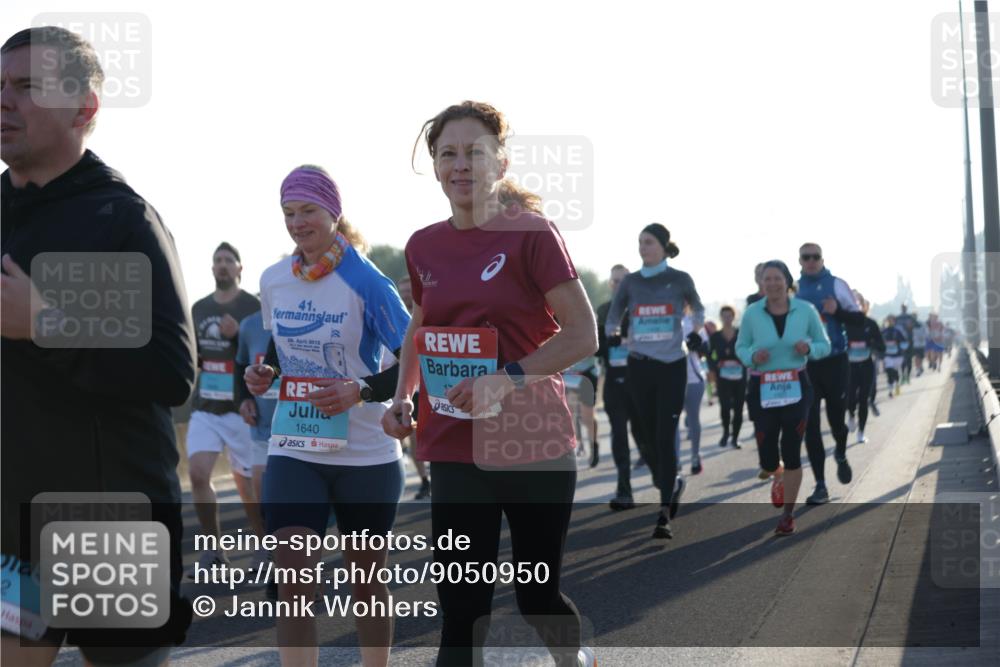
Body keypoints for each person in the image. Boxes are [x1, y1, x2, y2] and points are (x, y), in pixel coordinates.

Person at [1, 26, 194, 666]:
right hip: (12, 531)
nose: (5, 100)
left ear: (84, 107)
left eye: (27, 86)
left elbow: (170, 370)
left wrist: (46, 322)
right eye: (0, 85)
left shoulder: (119, 218)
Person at [381, 101, 597, 667]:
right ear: (434, 166)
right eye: (448, 153)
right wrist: (402, 396)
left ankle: (572, 660)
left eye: (474, 152)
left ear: (500, 162)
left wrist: (508, 379)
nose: (461, 165)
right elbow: (419, 327)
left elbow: (583, 334)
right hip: (455, 446)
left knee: (536, 597)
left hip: (534, 442)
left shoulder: (532, 235)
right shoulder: (423, 245)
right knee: (461, 610)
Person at [244, 165, 410, 667]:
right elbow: (282, 343)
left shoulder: (367, 281)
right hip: (295, 444)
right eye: (288, 213)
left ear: (334, 213)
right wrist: (266, 371)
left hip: (365, 452)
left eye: (308, 211)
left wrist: (361, 390)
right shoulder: (274, 279)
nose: (297, 223)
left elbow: (413, 360)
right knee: (294, 581)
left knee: (367, 581)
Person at [606, 222, 705, 539]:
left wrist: (694, 332)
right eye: (640, 242)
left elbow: (699, 310)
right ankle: (671, 481)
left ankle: (664, 513)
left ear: (663, 246)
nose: (642, 247)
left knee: (665, 434)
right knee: (644, 435)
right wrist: (613, 332)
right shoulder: (631, 282)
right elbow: (613, 315)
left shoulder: (680, 279)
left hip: (672, 365)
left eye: (648, 242)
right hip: (639, 366)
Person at [736, 261, 831, 535]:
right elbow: (740, 347)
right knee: (767, 456)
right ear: (761, 283)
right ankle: (776, 475)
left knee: (791, 450)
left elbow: (825, 345)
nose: (773, 283)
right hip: (762, 385)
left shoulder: (806, 310)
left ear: (787, 281)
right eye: (767, 279)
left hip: (796, 385)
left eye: (777, 278)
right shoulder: (752, 313)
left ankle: (788, 515)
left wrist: (809, 349)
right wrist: (752, 356)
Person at [186, 243, 264, 570]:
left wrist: (236, 336)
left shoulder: (252, 307)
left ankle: (264, 545)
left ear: (240, 268)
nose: (222, 265)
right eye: (217, 260)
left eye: (229, 260)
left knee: (247, 484)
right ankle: (214, 550)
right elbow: (192, 351)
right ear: (212, 268)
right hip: (206, 405)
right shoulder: (198, 308)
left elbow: (262, 350)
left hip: (242, 407)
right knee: (197, 474)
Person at [797, 242, 862, 505]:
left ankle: (841, 454)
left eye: (816, 257)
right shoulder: (793, 290)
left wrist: (838, 311)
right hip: (806, 365)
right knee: (810, 425)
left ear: (823, 259)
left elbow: (859, 320)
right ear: (800, 261)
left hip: (835, 362)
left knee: (837, 421)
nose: (811, 261)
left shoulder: (837, 285)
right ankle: (820, 485)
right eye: (806, 257)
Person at [597, 264, 643, 509]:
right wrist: (608, 343)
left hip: (638, 382)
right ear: (610, 284)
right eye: (614, 281)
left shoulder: (641, 309)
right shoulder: (603, 310)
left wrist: (627, 341)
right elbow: (594, 346)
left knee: (643, 435)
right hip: (614, 383)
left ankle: (667, 481)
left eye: (622, 280)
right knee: (619, 436)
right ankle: (624, 490)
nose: (618, 284)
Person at [234, 305, 279, 561]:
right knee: (264, 499)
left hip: (299, 428)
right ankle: (271, 552)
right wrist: (243, 399)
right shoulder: (249, 325)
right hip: (262, 428)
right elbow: (240, 365)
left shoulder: (307, 317)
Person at [397, 275, 431, 499]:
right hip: (409, 389)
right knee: (411, 436)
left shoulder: (427, 314)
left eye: (409, 291)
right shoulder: (397, 316)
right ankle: (424, 480)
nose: (406, 295)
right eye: (403, 292)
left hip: (429, 386)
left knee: (429, 435)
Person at [844, 292, 885, 445]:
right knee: (850, 397)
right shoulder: (843, 323)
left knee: (864, 399)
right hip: (849, 366)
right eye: (852, 301)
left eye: (858, 302)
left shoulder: (871, 324)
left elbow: (882, 346)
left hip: (867, 365)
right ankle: (851, 415)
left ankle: (861, 432)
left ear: (863, 305)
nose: (856, 304)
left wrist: (869, 344)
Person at [708, 305, 747, 449]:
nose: (727, 318)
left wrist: (743, 360)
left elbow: (748, 350)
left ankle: (735, 438)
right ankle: (725, 433)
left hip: (739, 376)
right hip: (723, 377)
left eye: (729, 316)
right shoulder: (715, 336)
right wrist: (715, 366)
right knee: (724, 407)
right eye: (724, 316)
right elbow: (709, 354)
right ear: (720, 317)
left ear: (734, 317)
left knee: (738, 407)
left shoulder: (741, 334)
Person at [675, 312, 708, 474]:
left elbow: (706, 348)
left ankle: (695, 455)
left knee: (693, 419)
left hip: (693, 379)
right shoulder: (665, 319)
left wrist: (695, 345)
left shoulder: (694, 322)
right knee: (672, 421)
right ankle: (675, 461)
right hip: (671, 381)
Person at [563, 354, 600, 468]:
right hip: (568, 376)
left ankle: (593, 446)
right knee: (570, 415)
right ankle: (577, 445)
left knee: (587, 418)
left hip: (587, 374)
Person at [881, 316, 907, 397]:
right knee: (889, 371)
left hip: (897, 356)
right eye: (888, 320)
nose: (889, 322)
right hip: (888, 355)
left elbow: (904, 342)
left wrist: (901, 348)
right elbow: (879, 342)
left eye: (891, 320)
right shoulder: (883, 331)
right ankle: (890, 390)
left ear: (894, 321)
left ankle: (897, 384)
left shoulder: (898, 331)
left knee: (895, 372)